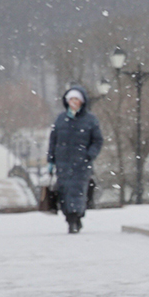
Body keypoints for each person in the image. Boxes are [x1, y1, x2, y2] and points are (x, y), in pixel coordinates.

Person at [47, 85, 103, 233]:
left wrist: (89, 155)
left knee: (78, 190)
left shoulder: (90, 120)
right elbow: (53, 140)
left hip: (81, 164)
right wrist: (51, 160)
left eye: (76, 99)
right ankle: (70, 218)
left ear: (82, 102)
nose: (73, 102)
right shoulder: (61, 119)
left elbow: (97, 140)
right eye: (71, 99)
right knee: (64, 191)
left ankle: (75, 217)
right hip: (62, 163)